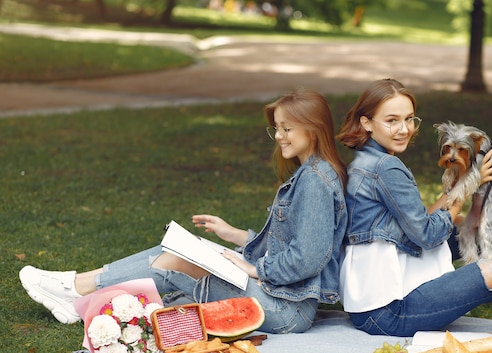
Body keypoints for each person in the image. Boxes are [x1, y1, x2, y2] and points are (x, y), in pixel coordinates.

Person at [20, 88, 348, 334]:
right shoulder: (310, 173)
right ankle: (77, 285)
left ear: (313, 128)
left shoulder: (316, 181)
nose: (278, 136)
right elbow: (289, 240)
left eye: (286, 128)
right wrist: (235, 235)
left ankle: (75, 293)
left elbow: (308, 258)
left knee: (175, 262)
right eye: (276, 128)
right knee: (175, 249)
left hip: (287, 309)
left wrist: (253, 270)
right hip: (279, 295)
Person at [336, 78, 492, 337]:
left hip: (367, 305)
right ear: (367, 123)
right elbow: (429, 236)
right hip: (388, 313)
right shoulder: (385, 168)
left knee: (462, 230)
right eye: (392, 120)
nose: (404, 129)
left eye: (409, 119)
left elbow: (420, 221)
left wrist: (460, 182)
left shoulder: (365, 160)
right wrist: (470, 182)